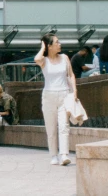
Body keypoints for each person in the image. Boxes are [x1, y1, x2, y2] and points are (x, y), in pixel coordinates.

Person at [34, 33, 76, 166]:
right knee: (51, 128)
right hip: (48, 96)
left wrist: (74, 92)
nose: (60, 44)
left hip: (64, 94)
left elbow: (70, 75)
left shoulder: (64, 58)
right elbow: (37, 58)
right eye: (57, 42)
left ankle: (64, 155)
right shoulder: (44, 61)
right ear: (49, 46)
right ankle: (53, 155)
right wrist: (42, 46)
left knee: (64, 126)